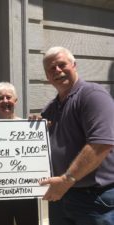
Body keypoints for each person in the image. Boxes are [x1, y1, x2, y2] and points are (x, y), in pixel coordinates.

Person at [38, 46, 114, 225]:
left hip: (94, 200)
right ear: (48, 77)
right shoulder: (51, 107)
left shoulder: (92, 95)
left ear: (74, 65)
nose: (57, 70)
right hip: (61, 196)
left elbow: (101, 144)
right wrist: (35, 126)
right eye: (51, 68)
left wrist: (67, 179)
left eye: (62, 64)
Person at [0, 82, 39, 225]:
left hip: (25, 193)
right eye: (0, 98)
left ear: (15, 100)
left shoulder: (29, 127)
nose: (5, 101)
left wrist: (40, 128)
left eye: (8, 97)